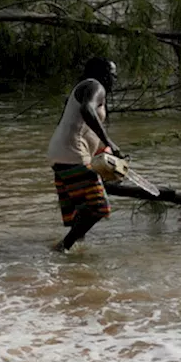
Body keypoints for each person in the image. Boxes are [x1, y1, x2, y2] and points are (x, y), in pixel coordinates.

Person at [46, 57, 121, 250]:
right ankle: (63, 248)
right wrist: (108, 141)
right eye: (113, 75)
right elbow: (87, 110)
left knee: (82, 209)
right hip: (73, 153)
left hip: (60, 153)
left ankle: (72, 264)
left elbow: (78, 126)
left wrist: (104, 151)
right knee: (98, 208)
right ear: (104, 75)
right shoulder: (96, 86)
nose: (115, 80)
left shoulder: (83, 87)